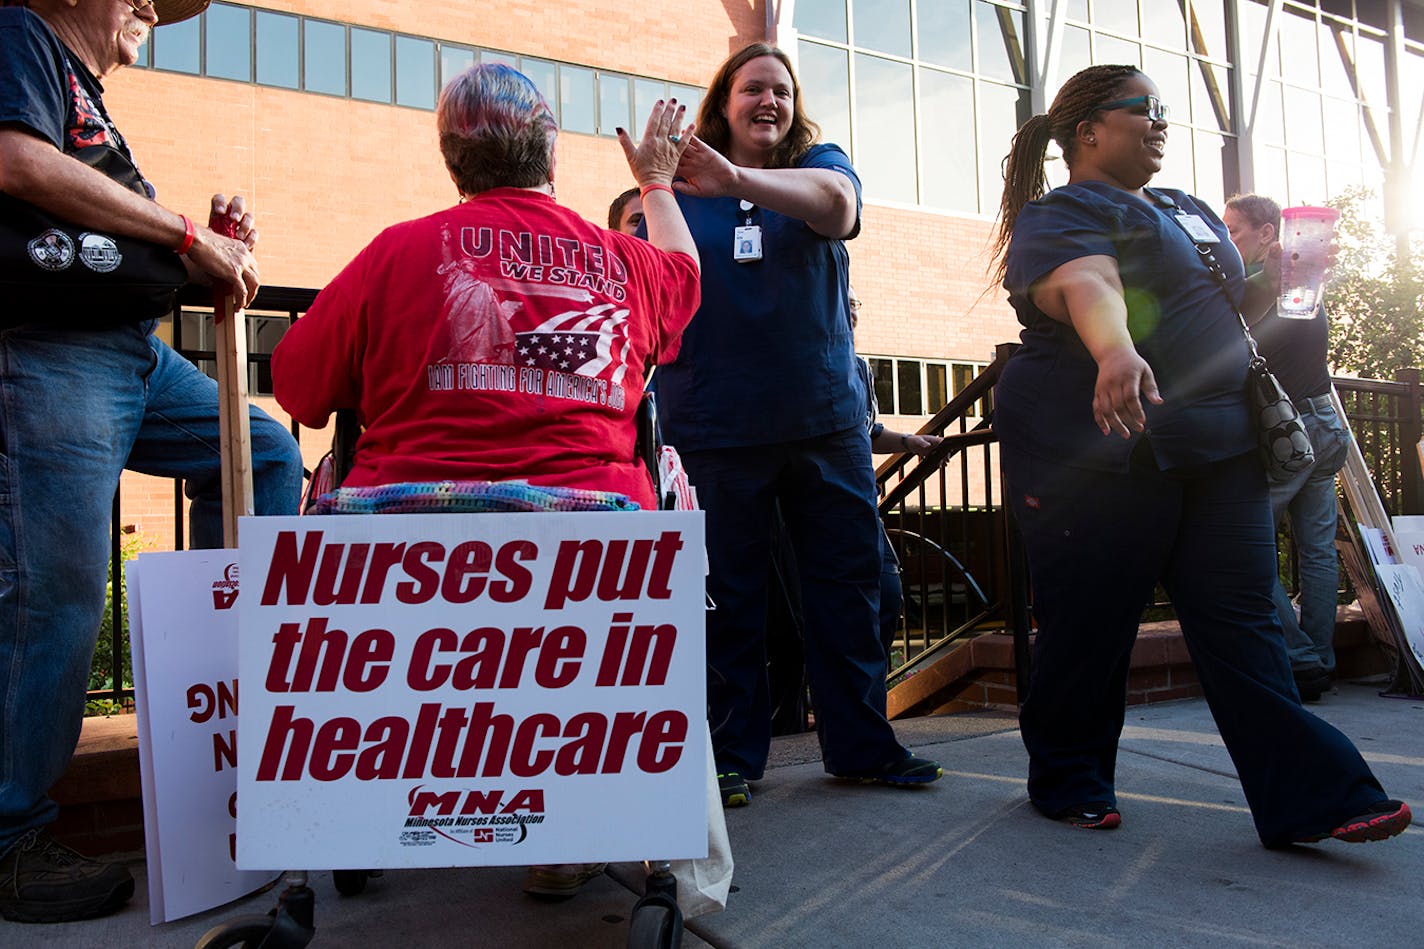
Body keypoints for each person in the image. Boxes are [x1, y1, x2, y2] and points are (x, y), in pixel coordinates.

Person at [989, 63, 1410, 846]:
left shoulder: (1183, 208)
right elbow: (1090, 281)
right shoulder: (1063, 212)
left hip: (1219, 445)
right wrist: (1114, 350)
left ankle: (1313, 796)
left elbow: (1214, 301)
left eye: (1166, 111)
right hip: (1101, 449)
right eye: (1142, 109)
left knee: (1246, 622)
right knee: (1089, 624)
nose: (1161, 122)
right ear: (1088, 132)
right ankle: (1068, 776)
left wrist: (1285, 277)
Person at [0, 0, 304, 924]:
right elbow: (15, 161)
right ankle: (10, 836)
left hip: (132, 348)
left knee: (264, 449)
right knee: (57, 586)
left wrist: (203, 245)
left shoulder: (87, 95)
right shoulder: (20, 33)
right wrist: (182, 234)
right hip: (51, 348)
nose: (148, 9)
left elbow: (100, 225)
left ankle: (222, 670)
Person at [649, 43, 942, 808]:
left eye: (781, 89)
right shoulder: (673, 189)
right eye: (753, 89)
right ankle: (729, 758)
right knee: (731, 602)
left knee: (846, 593)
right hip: (714, 428)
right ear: (725, 100)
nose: (768, 101)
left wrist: (738, 180)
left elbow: (837, 208)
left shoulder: (822, 162)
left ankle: (861, 747)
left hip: (824, 423)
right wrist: (665, 183)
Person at [273, 66, 698, 511]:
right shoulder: (628, 262)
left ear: (453, 164)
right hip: (601, 538)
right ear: (551, 153)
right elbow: (686, 272)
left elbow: (296, 385)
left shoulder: (389, 255)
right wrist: (655, 182)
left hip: (403, 538)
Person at [1223, 193, 1350, 702]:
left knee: (1245, 542)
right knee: (1317, 551)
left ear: (1268, 234)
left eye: (1235, 231)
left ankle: (1299, 659)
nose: (1229, 240)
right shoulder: (1302, 284)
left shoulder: (1277, 288)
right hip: (1325, 425)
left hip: (1295, 434)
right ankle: (1320, 658)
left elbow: (1232, 327)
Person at [849, 286, 942, 660]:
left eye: (856, 303)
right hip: (813, 504)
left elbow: (867, 430)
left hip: (861, 503)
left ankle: (869, 705)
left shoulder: (859, 367)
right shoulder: (801, 361)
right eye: (845, 300)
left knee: (887, 598)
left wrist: (908, 441)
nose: (852, 310)